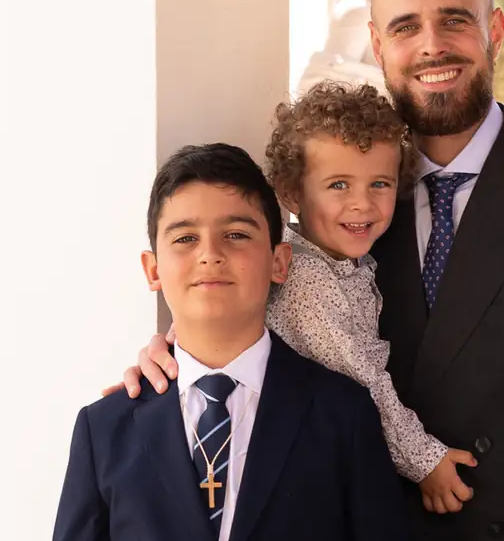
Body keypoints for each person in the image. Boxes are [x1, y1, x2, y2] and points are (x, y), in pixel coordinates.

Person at [120, 0, 504, 540]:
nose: (432, 45)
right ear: (379, 46)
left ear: (495, 30)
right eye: (406, 27)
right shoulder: (344, 204)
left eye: (455, 20)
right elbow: (267, 294)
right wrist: (179, 349)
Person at [56, 143, 411, 541]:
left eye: (236, 234)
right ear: (153, 269)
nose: (210, 254)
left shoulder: (343, 414)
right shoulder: (104, 429)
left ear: (279, 262)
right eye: (185, 238)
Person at [264, 80, 478, 511]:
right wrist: (424, 461)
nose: (362, 204)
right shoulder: (306, 278)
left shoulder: (349, 261)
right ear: (291, 194)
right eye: (338, 185)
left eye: (379, 184)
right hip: (308, 467)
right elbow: (362, 378)